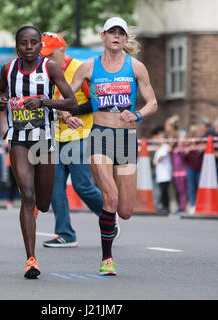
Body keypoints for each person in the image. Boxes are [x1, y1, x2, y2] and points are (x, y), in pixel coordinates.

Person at [65, 17, 158, 275]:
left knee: (125, 210)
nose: (116, 36)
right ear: (103, 36)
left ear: (126, 38)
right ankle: (107, 259)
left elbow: (153, 102)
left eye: (121, 33)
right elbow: (67, 98)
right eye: (111, 32)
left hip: (126, 140)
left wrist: (137, 115)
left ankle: (111, 220)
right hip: (100, 137)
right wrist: (65, 115)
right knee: (111, 197)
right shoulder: (88, 67)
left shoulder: (136, 67)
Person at [0, 25, 77, 279]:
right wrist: (1, 103)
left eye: (33, 43)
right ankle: (31, 259)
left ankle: (38, 213)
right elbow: (0, 92)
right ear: (16, 45)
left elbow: (71, 102)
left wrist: (43, 101)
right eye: (23, 43)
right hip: (18, 139)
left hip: (45, 140)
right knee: (27, 195)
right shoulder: (7, 69)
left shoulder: (50, 68)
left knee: (42, 201)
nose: (28, 47)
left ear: (40, 46)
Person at [40, 32, 106, 248]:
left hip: (81, 133)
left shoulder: (79, 68)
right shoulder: (44, 70)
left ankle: (108, 216)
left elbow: (98, 102)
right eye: (44, 54)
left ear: (62, 51)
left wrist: (70, 111)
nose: (46, 59)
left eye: (50, 54)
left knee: (82, 186)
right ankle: (65, 234)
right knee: (54, 187)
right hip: (54, 136)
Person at [165, 115, 188, 214]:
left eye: (167, 125)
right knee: (177, 190)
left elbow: (183, 152)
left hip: (181, 168)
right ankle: (180, 206)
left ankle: (183, 207)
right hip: (174, 168)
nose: (166, 127)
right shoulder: (171, 137)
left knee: (182, 190)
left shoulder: (180, 136)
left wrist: (180, 146)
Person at [182, 124, 204, 214]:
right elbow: (183, 158)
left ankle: (200, 205)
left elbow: (203, 156)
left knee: (200, 187)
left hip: (200, 168)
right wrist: (186, 152)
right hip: (190, 168)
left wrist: (201, 150)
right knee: (191, 187)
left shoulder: (201, 143)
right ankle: (192, 205)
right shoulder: (188, 144)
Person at [153, 131, 172, 214]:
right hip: (160, 174)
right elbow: (154, 161)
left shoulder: (165, 146)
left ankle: (166, 206)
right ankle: (163, 205)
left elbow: (161, 158)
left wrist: (157, 160)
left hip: (165, 173)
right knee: (161, 190)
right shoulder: (159, 148)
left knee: (164, 191)